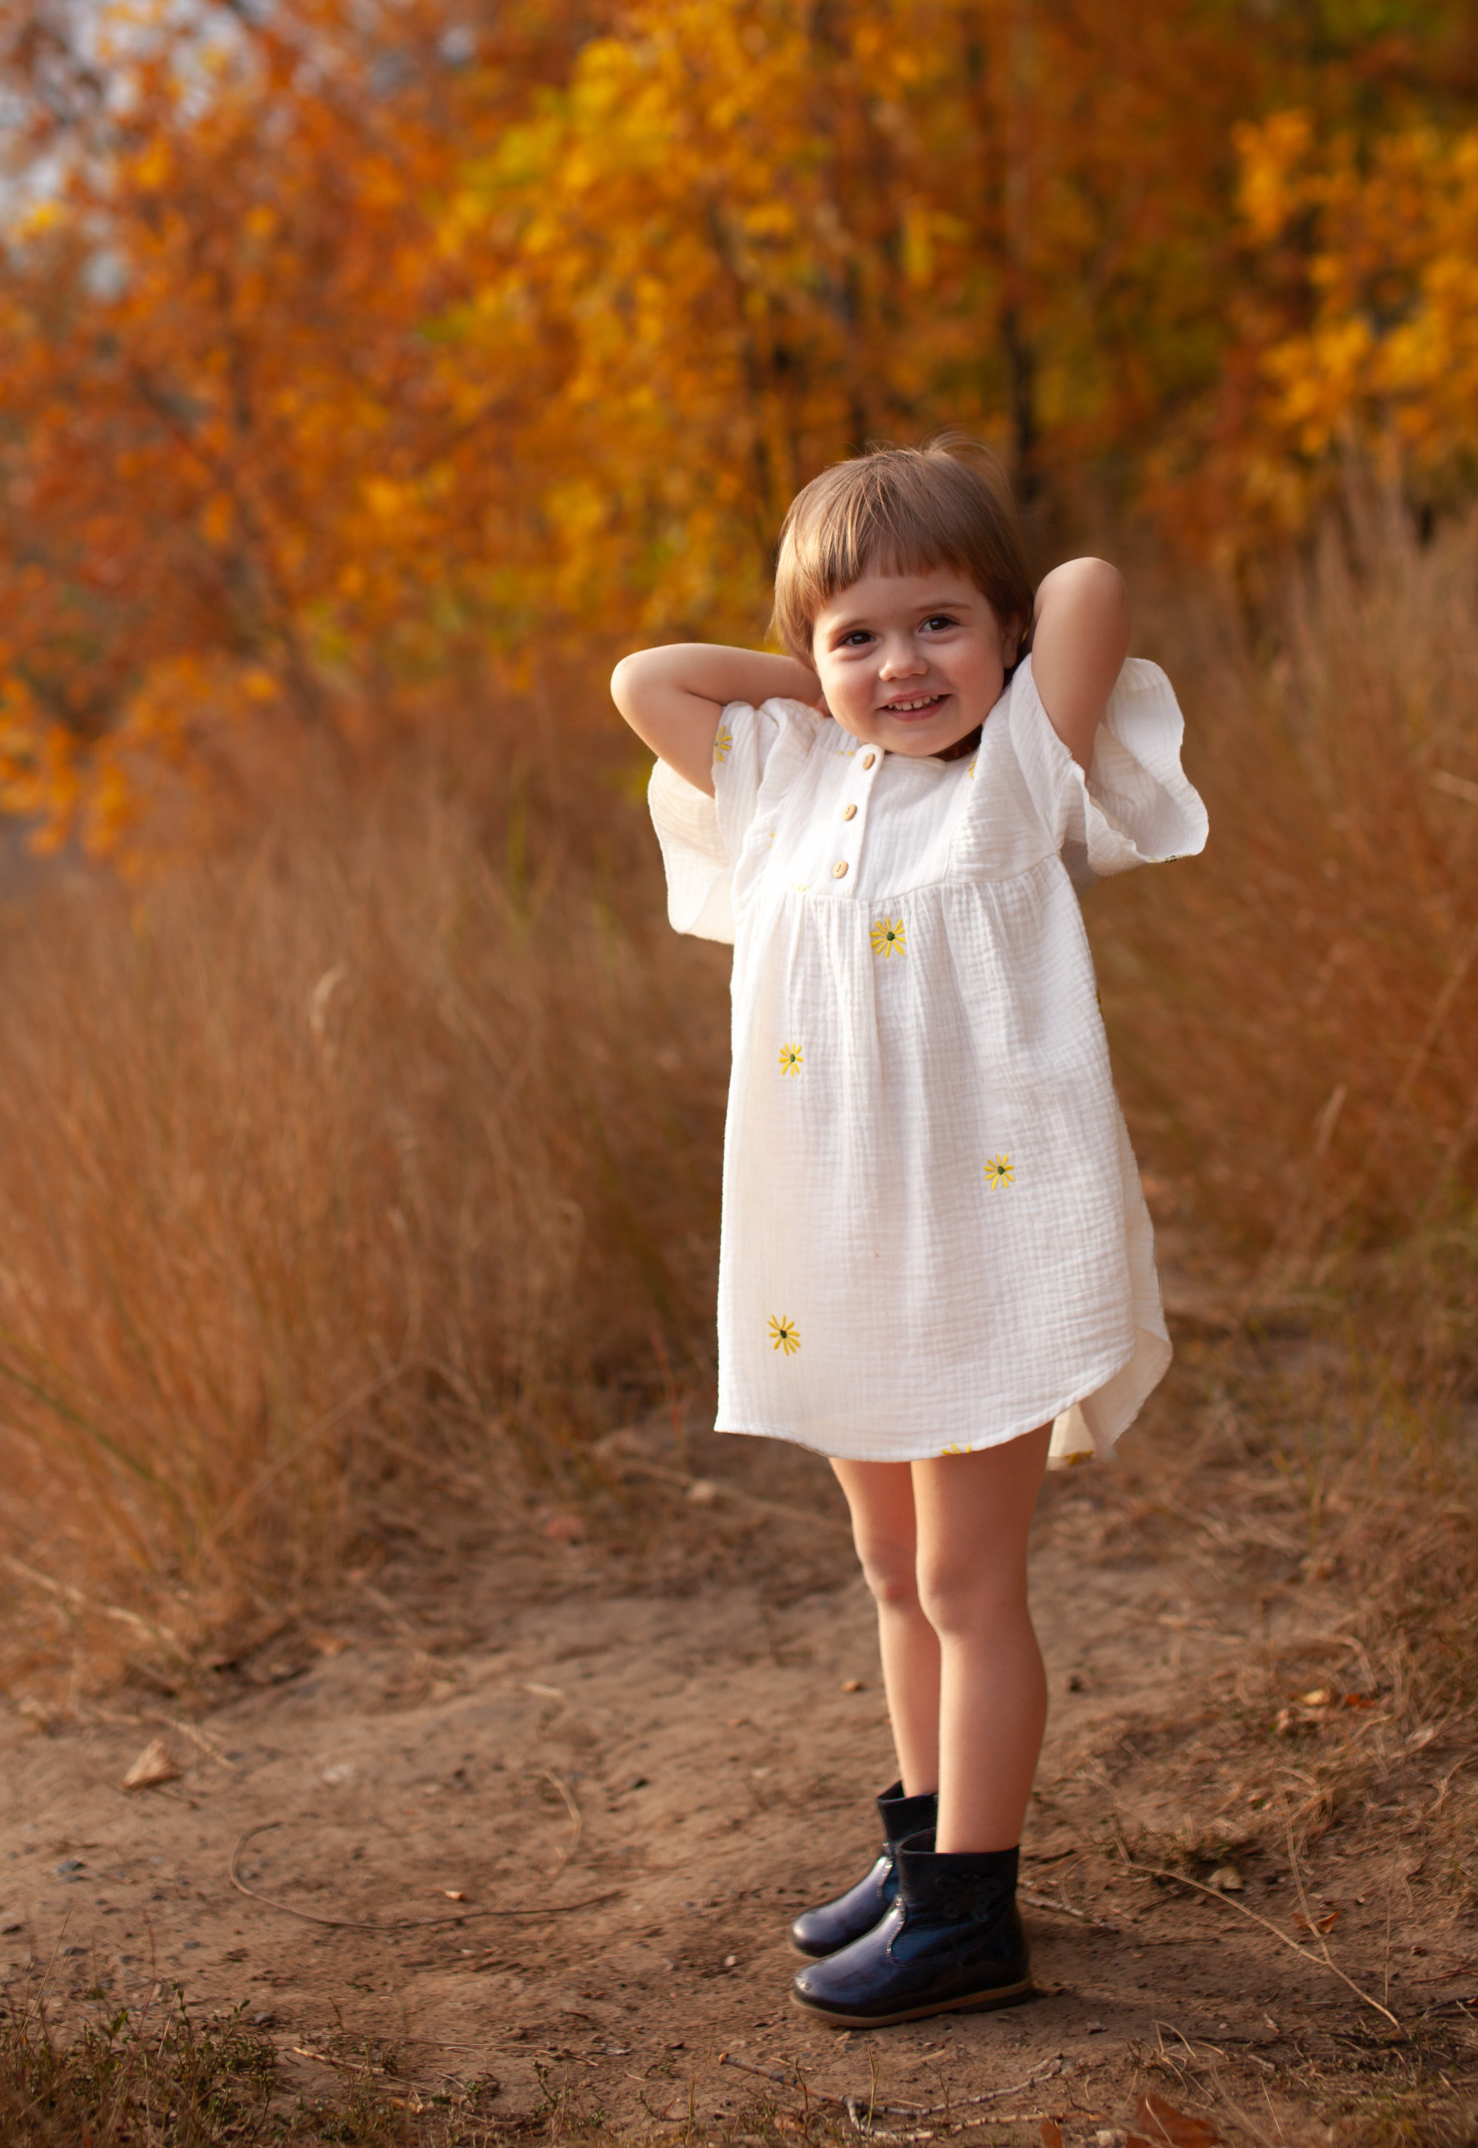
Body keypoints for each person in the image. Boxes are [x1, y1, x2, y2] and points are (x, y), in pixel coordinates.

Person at [610, 440, 1206, 2030]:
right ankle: (923, 1837)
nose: (902, 664)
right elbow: (645, 679)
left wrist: (976, 637)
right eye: (858, 637)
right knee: (888, 1565)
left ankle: (973, 1913)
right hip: (840, 1240)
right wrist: (815, 683)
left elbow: (1083, 585)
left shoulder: (1019, 775)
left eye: (939, 625)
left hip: (992, 1241)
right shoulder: (791, 782)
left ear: (1001, 642)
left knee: (963, 1579)